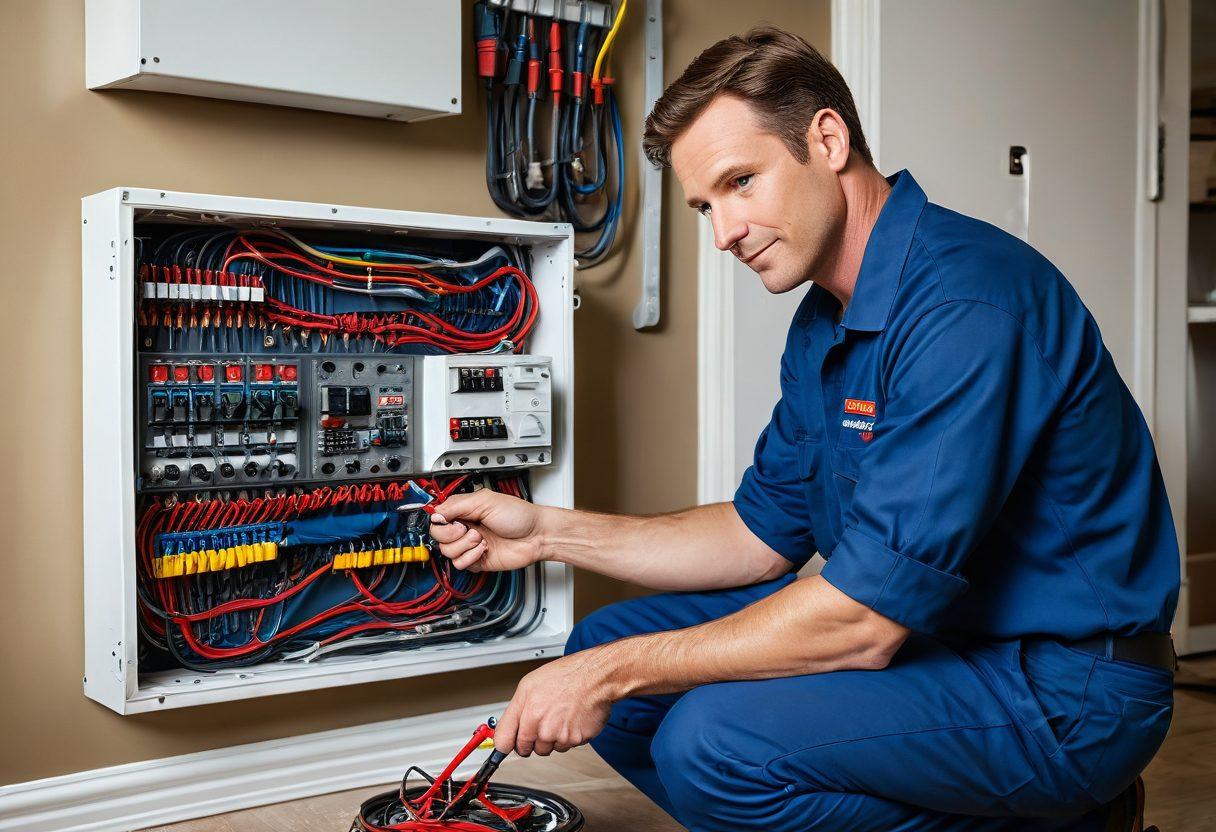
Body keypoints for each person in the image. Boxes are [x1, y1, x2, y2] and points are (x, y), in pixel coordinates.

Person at [429, 26, 1179, 832]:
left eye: (741, 182)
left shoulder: (965, 303)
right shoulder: (825, 320)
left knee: (709, 742)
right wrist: (546, 533)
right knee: (612, 644)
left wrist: (610, 678)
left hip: (1067, 689)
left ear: (827, 138)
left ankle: (1071, 820)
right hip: (941, 644)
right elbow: (758, 535)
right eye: (705, 206)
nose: (724, 233)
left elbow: (860, 621)